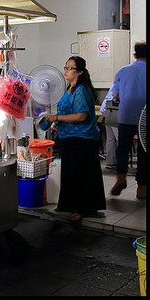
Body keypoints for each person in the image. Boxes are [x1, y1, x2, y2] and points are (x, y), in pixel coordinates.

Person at [42, 56, 106, 222]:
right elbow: (68, 114)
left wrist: (57, 117)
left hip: (82, 139)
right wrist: (59, 124)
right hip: (70, 137)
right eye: (65, 67)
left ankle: (83, 209)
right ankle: (71, 205)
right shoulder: (70, 88)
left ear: (80, 71)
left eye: (70, 68)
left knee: (81, 175)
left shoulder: (81, 90)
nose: (66, 70)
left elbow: (81, 116)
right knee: (71, 174)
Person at [109, 41, 146, 200]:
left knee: (123, 148)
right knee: (144, 151)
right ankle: (142, 187)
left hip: (126, 115)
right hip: (145, 117)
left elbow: (115, 95)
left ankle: (121, 177)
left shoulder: (123, 71)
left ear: (135, 55)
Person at [100, 84, 119, 171]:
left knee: (110, 138)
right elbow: (116, 95)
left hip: (107, 109)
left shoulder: (116, 82)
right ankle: (120, 163)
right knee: (119, 138)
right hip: (114, 110)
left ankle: (110, 162)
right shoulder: (124, 82)